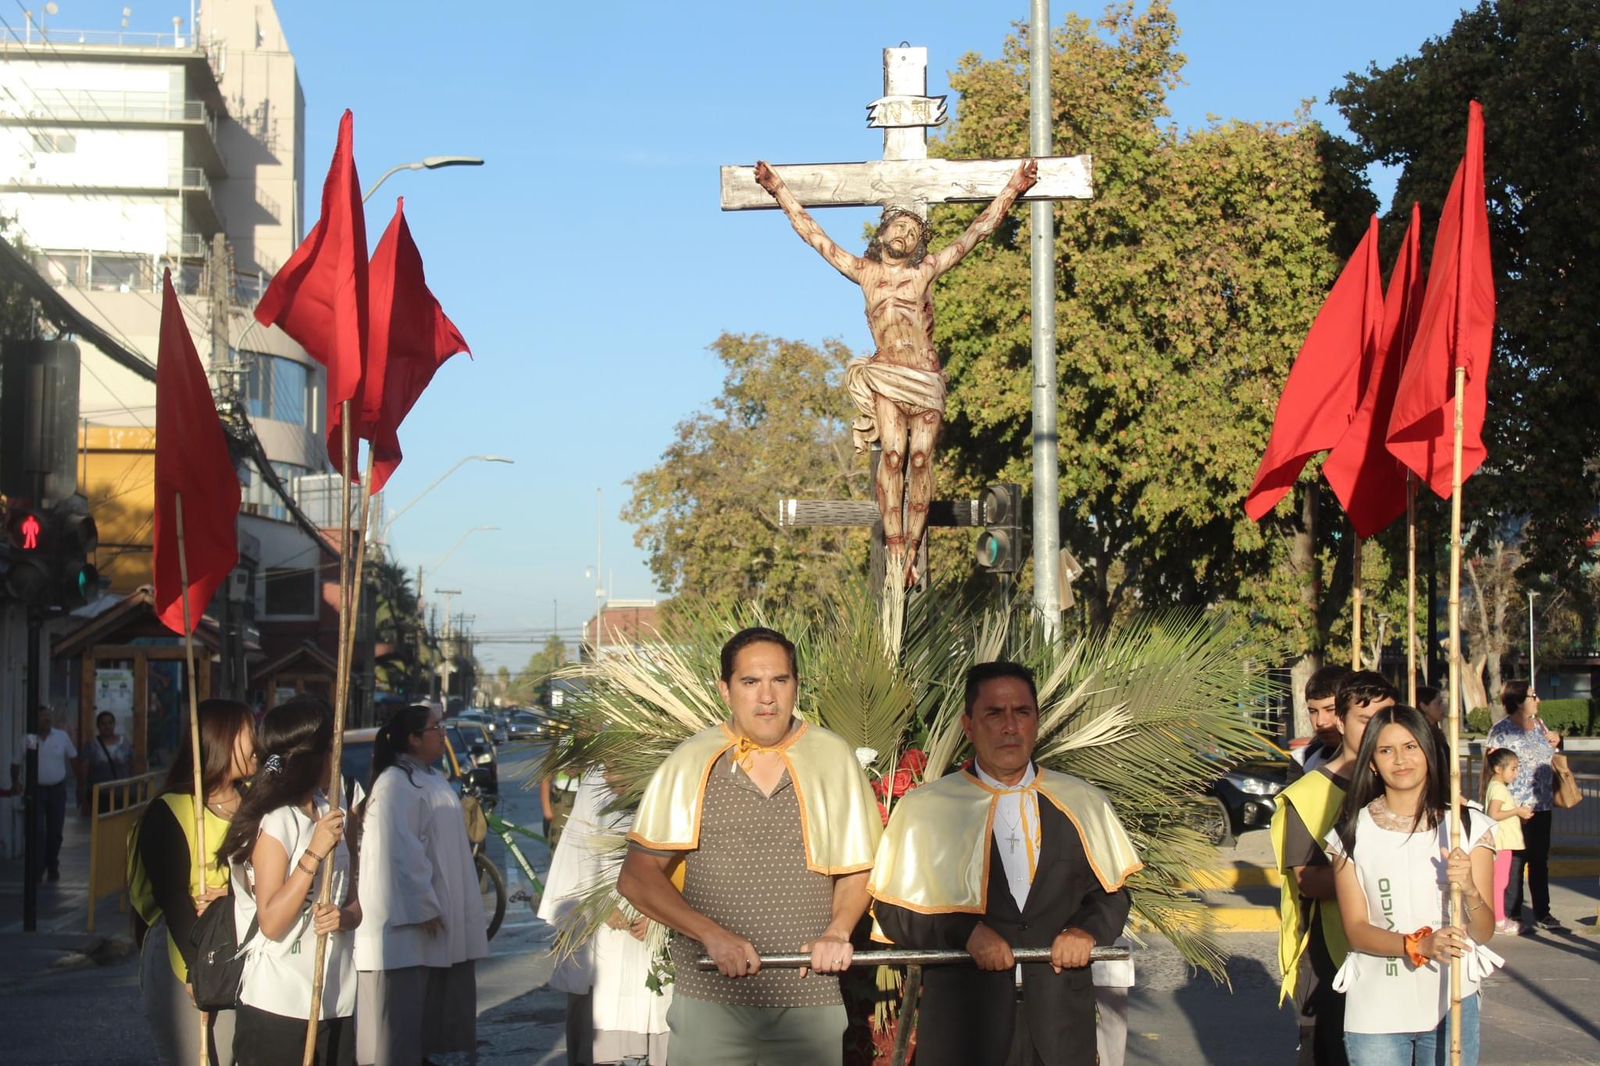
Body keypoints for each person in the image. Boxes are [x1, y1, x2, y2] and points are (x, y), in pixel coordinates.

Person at [753, 159, 1038, 584]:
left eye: (914, 233)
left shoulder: (924, 273)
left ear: (919, 246)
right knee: (892, 455)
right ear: (882, 234)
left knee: (920, 458)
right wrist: (779, 190)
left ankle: (912, 551)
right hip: (887, 374)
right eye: (899, 227)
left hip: (925, 378)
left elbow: (976, 232)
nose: (905, 234)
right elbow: (814, 235)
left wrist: (1013, 189)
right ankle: (895, 545)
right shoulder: (865, 273)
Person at [617, 626, 882, 1066]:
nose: (767, 697)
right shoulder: (692, 760)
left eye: (779, 680)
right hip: (710, 997)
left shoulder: (832, 757)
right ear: (725, 690)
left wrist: (837, 931)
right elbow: (636, 877)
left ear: (796, 685)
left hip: (809, 998)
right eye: (750, 682)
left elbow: (860, 866)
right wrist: (711, 935)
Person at [868, 661, 1140, 1066]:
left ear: (1036, 721)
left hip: (1060, 1025)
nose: (1010, 727)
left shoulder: (1082, 801)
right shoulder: (926, 809)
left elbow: (1111, 895)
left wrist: (1086, 931)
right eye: (994, 714)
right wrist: (965, 933)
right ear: (968, 725)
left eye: (1022, 712)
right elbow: (894, 911)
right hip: (964, 1028)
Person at [1326, 705, 1500, 1065]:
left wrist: (1470, 889)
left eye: (1410, 747)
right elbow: (1356, 930)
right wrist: (1418, 945)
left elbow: (1483, 932)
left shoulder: (1467, 827)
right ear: (1372, 763)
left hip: (1451, 1002)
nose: (1400, 759)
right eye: (1386, 750)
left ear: (1428, 751)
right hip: (1377, 1010)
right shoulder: (1350, 834)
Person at [219, 696, 358, 1065]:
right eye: (330, 749)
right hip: (280, 1002)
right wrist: (313, 852)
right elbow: (271, 921)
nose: (336, 758)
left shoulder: (333, 812)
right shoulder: (277, 821)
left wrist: (344, 917)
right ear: (311, 758)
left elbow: (356, 902)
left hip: (335, 995)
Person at [1270, 670, 1397, 1066]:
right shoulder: (1307, 794)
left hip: (1400, 963)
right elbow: (1307, 881)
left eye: (1386, 719)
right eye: (1365, 720)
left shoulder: (1402, 784)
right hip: (1331, 965)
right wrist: (1380, 868)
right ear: (1342, 721)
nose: (1377, 731)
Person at [354, 703, 487, 1066]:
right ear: (413, 739)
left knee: (425, 1032)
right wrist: (423, 907)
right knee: (400, 1032)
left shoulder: (429, 777)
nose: (443, 734)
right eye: (435, 728)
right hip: (408, 929)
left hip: (433, 924)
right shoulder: (395, 783)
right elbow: (402, 852)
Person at [129, 698, 257, 1066]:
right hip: (187, 950)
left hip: (247, 951)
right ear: (221, 739)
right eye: (248, 733)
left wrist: (232, 896)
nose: (257, 742)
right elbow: (172, 898)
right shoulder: (170, 809)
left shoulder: (256, 801)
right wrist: (198, 969)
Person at [540, 765, 670, 1065]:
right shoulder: (593, 786)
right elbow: (577, 852)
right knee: (599, 1010)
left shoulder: (659, 779)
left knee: (651, 1009)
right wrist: (597, 904)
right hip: (602, 923)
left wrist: (660, 914)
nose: (612, 777)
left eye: (616, 770)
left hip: (650, 925)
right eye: (608, 770)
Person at [1485, 679, 1564, 931]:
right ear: (1519, 701)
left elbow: (1551, 754)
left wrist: (1558, 741)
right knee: (1516, 861)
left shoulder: (1539, 725)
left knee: (1539, 860)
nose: (1537, 700)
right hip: (1514, 808)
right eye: (1532, 695)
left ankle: (1543, 912)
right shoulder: (1502, 731)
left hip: (1541, 805)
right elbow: (1492, 764)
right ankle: (1512, 913)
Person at [1482, 747, 1531, 935]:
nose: (1516, 773)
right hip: (1502, 843)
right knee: (1500, 882)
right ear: (1498, 769)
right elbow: (1494, 814)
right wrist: (1517, 811)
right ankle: (1499, 920)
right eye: (1513, 769)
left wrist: (1518, 814)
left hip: (1503, 842)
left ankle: (1498, 918)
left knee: (1499, 881)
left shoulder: (1496, 786)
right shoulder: (1499, 788)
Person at [33, 706, 77, 881]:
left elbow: (73, 758)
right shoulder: (30, 738)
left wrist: (81, 785)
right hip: (37, 790)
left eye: (48, 716)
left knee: (55, 831)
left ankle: (52, 865)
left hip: (57, 790)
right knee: (38, 831)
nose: (46, 719)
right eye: (42, 716)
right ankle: (38, 867)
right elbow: (17, 761)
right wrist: (16, 781)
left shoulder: (61, 736)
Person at [1295, 666, 1351, 775]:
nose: (1320, 722)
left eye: (1330, 710)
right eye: (1313, 711)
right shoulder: (1304, 759)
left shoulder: (1378, 756)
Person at [82, 710, 134, 814]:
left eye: (110, 723)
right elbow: (84, 773)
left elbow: (132, 767)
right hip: (100, 796)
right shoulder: (92, 746)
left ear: (114, 724)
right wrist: (83, 797)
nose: (107, 726)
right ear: (98, 726)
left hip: (122, 794)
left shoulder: (125, 744)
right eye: (103, 723)